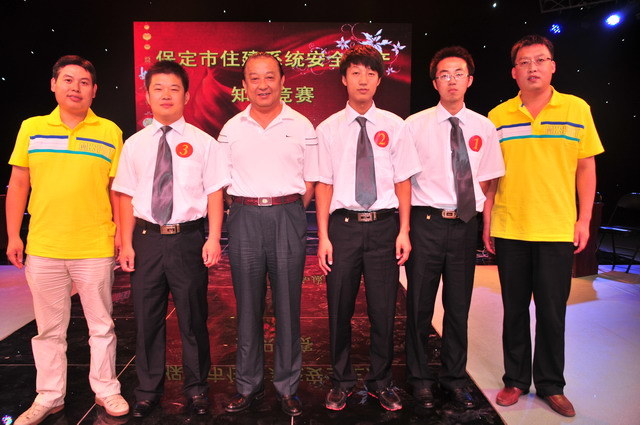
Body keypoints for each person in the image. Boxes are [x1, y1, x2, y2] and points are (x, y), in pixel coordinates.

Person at [484, 35, 603, 418]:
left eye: (540, 60)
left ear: (552, 66)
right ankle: (516, 380)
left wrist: (584, 219)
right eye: (524, 62)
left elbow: (586, 167)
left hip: (556, 227)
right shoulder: (498, 116)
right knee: (514, 310)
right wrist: (488, 217)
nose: (532, 67)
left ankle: (551, 385)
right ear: (514, 72)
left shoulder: (576, 109)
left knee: (553, 312)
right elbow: (491, 176)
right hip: (511, 225)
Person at [5, 55, 129, 424]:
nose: (76, 88)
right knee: (49, 331)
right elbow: (19, 185)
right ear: (54, 85)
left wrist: (121, 234)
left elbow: (117, 190)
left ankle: (106, 389)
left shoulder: (109, 131)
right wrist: (13, 235)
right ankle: (49, 395)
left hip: (94, 245)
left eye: (84, 82)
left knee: (101, 326)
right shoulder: (32, 128)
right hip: (44, 245)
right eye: (68, 80)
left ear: (95, 91)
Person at [112, 60, 228, 417]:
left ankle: (197, 389)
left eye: (174, 89)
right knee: (147, 320)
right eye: (158, 89)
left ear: (186, 96)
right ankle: (148, 391)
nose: (166, 95)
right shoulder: (134, 145)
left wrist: (213, 238)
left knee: (193, 318)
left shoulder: (204, 143)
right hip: (146, 239)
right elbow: (125, 196)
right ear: (147, 95)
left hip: (187, 240)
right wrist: (126, 243)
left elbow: (214, 193)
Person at [315, 44, 420, 412]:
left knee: (383, 310)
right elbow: (324, 184)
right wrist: (323, 236)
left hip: (384, 228)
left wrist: (404, 230)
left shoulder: (395, 126)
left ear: (379, 80)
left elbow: (403, 181)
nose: (363, 80)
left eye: (370, 73)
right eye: (355, 73)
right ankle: (340, 381)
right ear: (344, 79)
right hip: (342, 228)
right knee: (339, 309)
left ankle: (382, 381)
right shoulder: (328, 129)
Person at [403, 46, 505, 410]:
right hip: (426, 223)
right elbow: (403, 180)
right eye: (444, 75)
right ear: (435, 82)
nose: (451, 80)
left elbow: (489, 179)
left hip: (464, 225)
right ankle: (419, 379)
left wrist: (481, 219)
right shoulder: (414, 125)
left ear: (470, 80)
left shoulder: (484, 127)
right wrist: (405, 228)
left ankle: (454, 379)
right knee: (419, 305)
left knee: (458, 307)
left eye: (458, 74)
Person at [219, 52, 318, 417]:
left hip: (287, 215)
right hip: (244, 217)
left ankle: (287, 388)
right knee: (247, 307)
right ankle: (248, 386)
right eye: (254, 78)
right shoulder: (231, 129)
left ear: (282, 81)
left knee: (288, 305)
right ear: (244, 84)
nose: (262, 85)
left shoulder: (302, 125)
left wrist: (287, 208)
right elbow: (221, 181)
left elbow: (311, 179)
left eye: (269, 77)